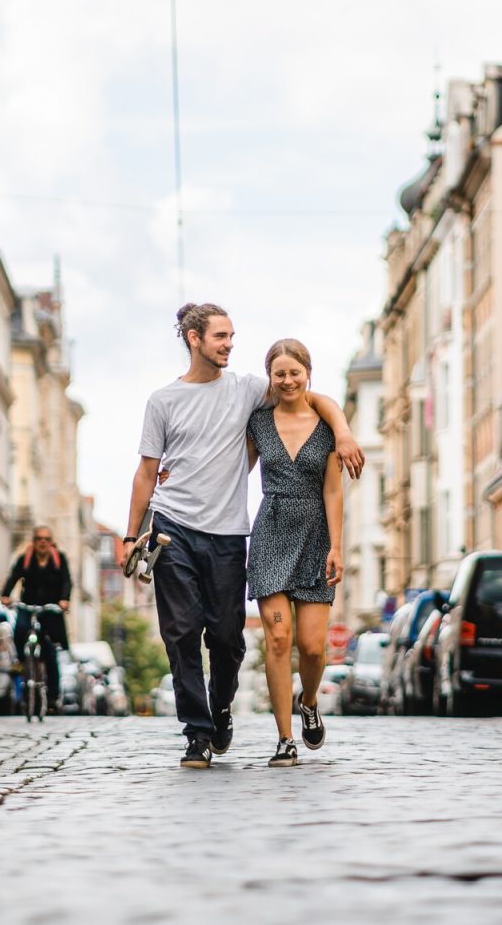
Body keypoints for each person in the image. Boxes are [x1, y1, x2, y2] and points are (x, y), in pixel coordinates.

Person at [125, 303, 363, 770]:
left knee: (230, 638)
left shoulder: (248, 390)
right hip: (173, 526)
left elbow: (310, 397)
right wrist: (130, 534)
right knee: (181, 632)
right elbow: (147, 470)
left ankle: (222, 708)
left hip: (230, 532)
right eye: (221, 337)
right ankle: (197, 733)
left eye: (232, 336)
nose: (230, 344)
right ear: (194, 339)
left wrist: (344, 430)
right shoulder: (163, 401)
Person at [245, 339, 345, 768]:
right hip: (269, 531)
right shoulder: (259, 422)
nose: (287, 380)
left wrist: (337, 546)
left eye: (294, 373)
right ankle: (285, 738)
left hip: (315, 536)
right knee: (279, 638)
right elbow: (234, 470)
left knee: (312, 647)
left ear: (308, 374)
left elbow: (333, 489)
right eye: (279, 373)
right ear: (270, 377)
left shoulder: (326, 425)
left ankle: (309, 702)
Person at [1, 525, 72, 705]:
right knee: (20, 630)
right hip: (28, 604)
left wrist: (64, 599)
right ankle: (21, 661)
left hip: (50, 608)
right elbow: (13, 577)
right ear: (34, 542)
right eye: (39, 539)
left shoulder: (59, 559)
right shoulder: (25, 558)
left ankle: (53, 696)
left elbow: (66, 581)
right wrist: (6, 595)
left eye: (46, 539)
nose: (42, 542)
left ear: (51, 543)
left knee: (49, 650)